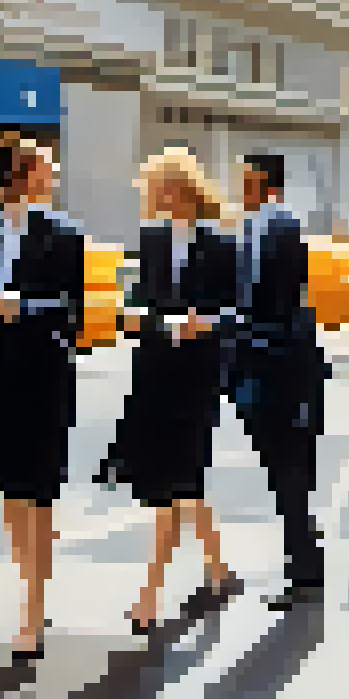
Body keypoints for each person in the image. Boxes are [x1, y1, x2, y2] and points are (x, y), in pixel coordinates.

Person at [0, 139, 86, 662]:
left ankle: (33, 608)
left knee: (40, 487)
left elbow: (72, 313)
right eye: (43, 169)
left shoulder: (63, 234)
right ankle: (31, 584)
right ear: (18, 176)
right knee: (7, 487)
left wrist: (21, 306)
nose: (51, 176)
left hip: (45, 371)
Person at [108, 150, 241, 636]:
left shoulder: (223, 244)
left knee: (174, 480)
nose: (157, 196)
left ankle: (149, 596)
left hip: (198, 374)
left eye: (164, 186)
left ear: (185, 188)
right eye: (153, 188)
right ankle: (221, 571)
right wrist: (144, 318)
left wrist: (206, 322)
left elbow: (238, 312)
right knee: (184, 480)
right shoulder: (150, 240)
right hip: (155, 369)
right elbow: (135, 302)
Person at [219, 153, 328, 610]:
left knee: (288, 469)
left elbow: (286, 301)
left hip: (280, 365)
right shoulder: (245, 230)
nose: (240, 187)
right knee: (280, 467)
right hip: (253, 364)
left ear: (266, 184)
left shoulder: (284, 228)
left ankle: (304, 570)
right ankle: (306, 548)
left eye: (246, 179)